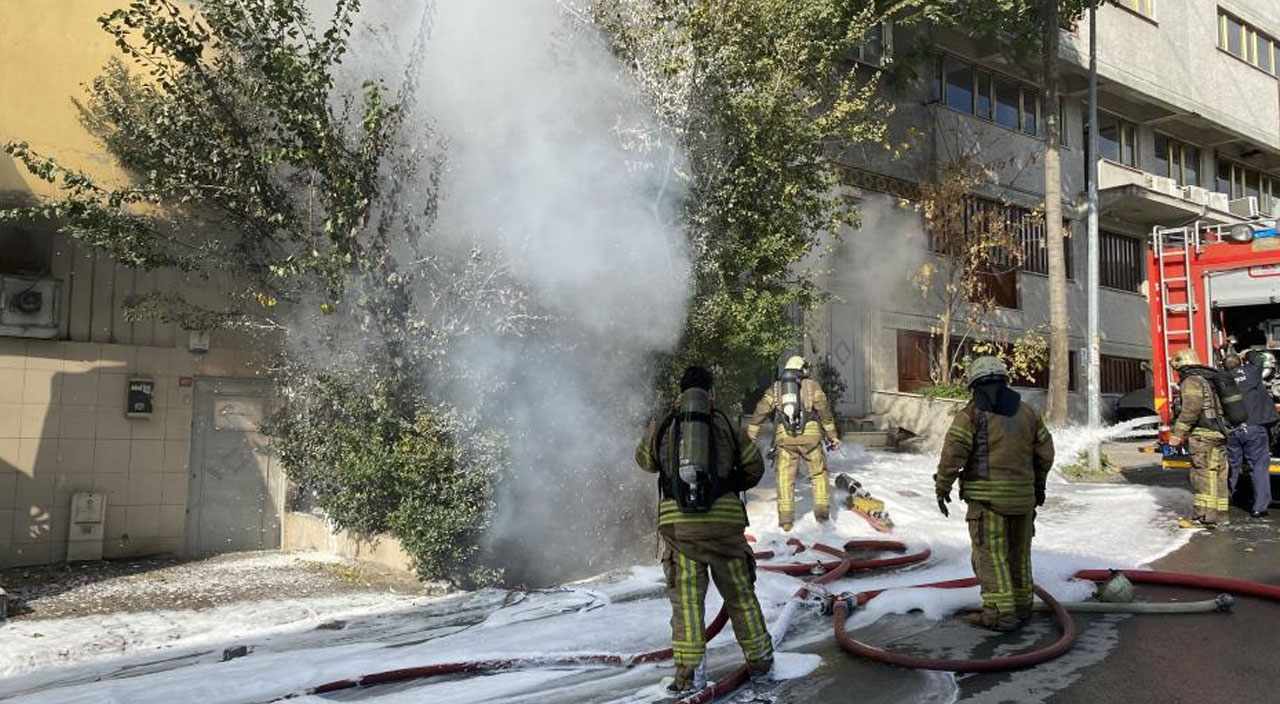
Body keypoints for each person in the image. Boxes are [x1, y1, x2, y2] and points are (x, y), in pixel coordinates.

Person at [635, 365, 773, 692]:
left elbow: (643, 460)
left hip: (680, 531)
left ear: (679, 394)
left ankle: (688, 677)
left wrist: (656, 432)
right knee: (741, 598)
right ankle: (762, 665)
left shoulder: (665, 424)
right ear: (710, 394)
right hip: (725, 530)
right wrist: (726, 485)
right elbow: (755, 465)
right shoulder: (725, 422)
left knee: (687, 605)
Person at [934, 356, 1054, 631]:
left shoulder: (971, 414)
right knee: (1019, 555)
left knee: (991, 558)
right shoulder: (1028, 413)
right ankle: (1023, 608)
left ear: (975, 385)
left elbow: (953, 453)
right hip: (1024, 502)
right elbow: (1045, 454)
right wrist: (1038, 487)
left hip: (988, 505)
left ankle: (1000, 615)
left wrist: (942, 487)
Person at [746, 355, 841, 531]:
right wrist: (833, 436)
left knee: (784, 479)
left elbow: (760, 411)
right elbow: (824, 414)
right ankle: (822, 514)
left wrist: (750, 437)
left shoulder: (776, 388)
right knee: (818, 475)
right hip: (811, 439)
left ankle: (786, 521)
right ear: (802, 369)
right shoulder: (812, 386)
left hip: (785, 439)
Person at [1169, 348, 1231, 528]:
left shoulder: (1191, 381)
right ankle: (1221, 516)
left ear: (1181, 363)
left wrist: (1178, 434)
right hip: (1219, 433)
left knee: (1203, 475)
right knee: (1218, 475)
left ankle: (1203, 517)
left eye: (1176, 367)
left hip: (1204, 435)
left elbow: (1191, 409)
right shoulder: (1209, 379)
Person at [1225, 351, 1277, 518]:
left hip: (1233, 431)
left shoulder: (1222, 380)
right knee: (1259, 467)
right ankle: (1259, 507)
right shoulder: (1251, 372)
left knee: (1232, 467)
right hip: (1254, 429)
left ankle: (1226, 500)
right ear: (1240, 362)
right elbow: (1258, 359)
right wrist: (1248, 353)